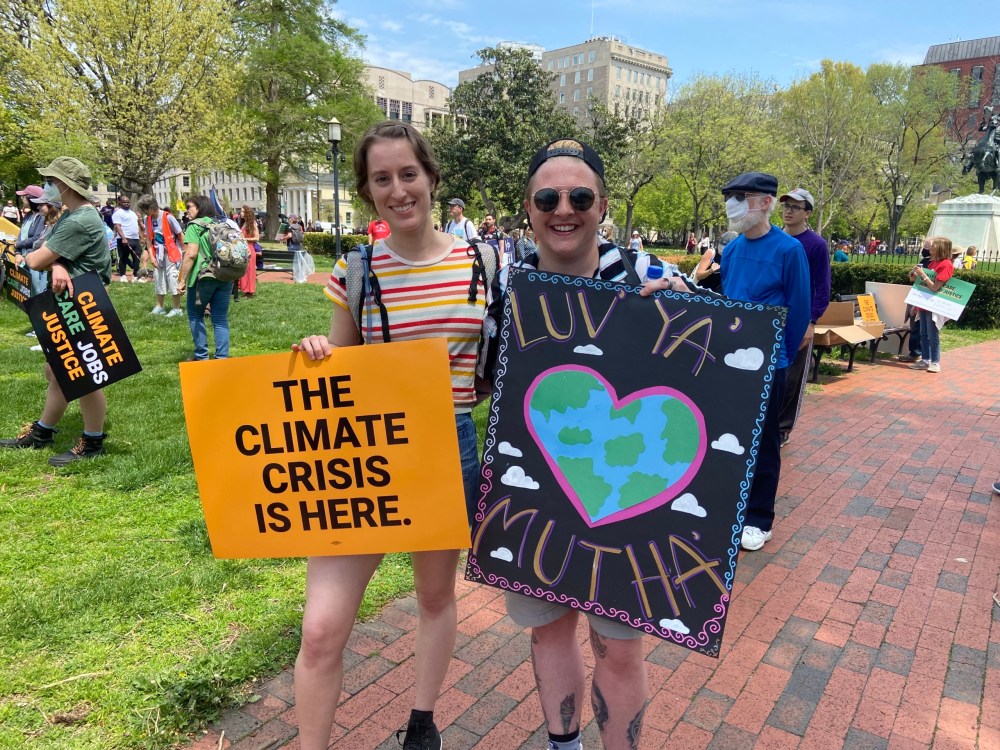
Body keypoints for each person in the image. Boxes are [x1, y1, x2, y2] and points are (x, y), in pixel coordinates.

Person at [291, 121, 490, 750]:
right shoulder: (357, 271)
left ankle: (422, 722)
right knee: (321, 630)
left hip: (446, 449)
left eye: (409, 174)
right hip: (367, 454)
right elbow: (342, 369)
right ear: (367, 191)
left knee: (435, 595)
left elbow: (507, 359)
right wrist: (320, 352)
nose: (399, 189)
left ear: (431, 177)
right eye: (383, 179)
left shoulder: (482, 264)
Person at [496, 138, 695, 750]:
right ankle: (564, 745)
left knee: (618, 647)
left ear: (601, 204)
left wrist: (690, 319)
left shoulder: (650, 276)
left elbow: (727, 370)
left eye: (580, 196)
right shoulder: (507, 287)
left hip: (626, 498)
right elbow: (474, 376)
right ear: (528, 208)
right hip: (539, 494)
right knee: (548, 632)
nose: (565, 208)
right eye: (548, 196)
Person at [0, 157, 112, 465]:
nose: (47, 186)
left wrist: (51, 260)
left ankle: (92, 441)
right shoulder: (73, 214)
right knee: (57, 371)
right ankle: (43, 431)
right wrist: (59, 263)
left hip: (81, 304)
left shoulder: (77, 220)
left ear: (63, 185)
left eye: (51, 181)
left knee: (82, 375)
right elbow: (51, 247)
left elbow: (35, 259)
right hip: (68, 301)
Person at [718, 171, 809, 551]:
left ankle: (759, 518)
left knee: (764, 440)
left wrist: (778, 357)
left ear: (765, 202)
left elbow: (799, 310)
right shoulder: (734, 249)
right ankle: (729, 509)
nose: (733, 204)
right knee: (730, 437)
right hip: (731, 362)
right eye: (730, 196)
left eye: (742, 196)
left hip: (769, 363)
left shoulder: (789, 251)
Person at [777, 188, 831, 448]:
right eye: (786, 206)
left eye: (795, 207)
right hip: (772, 317)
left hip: (798, 321)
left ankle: (782, 429)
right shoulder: (774, 238)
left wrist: (811, 322)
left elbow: (822, 287)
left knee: (792, 377)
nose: (788, 211)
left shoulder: (816, 245)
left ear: (807, 213)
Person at [178, 195, 232, 361]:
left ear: (199, 208)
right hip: (225, 275)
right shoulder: (221, 224)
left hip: (202, 278)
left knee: (195, 315)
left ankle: (201, 355)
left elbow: (191, 254)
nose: (187, 211)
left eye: (189, 207)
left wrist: (181, 280)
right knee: (220, 318)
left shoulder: (194, 226)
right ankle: (222, 357)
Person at [907, 236, 953, 374]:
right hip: (924, 303)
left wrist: (923, 275)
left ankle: (935, 362)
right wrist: (916, 304)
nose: (929, 249)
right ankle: (925, 359)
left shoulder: (946, 264)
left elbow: (935, 288)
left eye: (933, 246)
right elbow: (922, 286)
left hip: (935, 305)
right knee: (923, 333)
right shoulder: (933, 264)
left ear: (940, 248)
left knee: (933, 334)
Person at [136, 194, 185, 317]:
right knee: (159, 279)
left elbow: (180, 235)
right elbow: (149, 241)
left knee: (173, 278)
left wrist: (184, 252)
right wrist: (152, 257)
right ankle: (159, 306)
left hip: (172, 254)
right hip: (158, 254)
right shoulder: (147, 219)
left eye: (145, 210)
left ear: (152, 207)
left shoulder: (168, 217)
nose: (145, 213)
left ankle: (176, 308)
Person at [12, 186, 47, 295]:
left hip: (35, 259)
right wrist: (17, 253)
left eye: (23, 196)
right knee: (28, 294)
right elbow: (20, 234)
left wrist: (18, 244)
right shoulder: (27, 216)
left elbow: (37, 238)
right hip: (23, 259)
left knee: (39, 293)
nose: (21, 199)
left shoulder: (42, 217)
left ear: (31, 199)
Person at [112, 195, 142, 282]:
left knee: (137, 257)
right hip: (124, 238)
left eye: (128, 202)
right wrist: (123, 238)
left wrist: (140, 236)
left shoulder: (133, 213)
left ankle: (135, 276)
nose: (126, 204)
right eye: (124, 202)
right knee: (123, 258)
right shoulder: (117, 213)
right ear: (119, 203)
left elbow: (136, 226)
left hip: (135, 238)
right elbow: (117, 226)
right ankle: (123, 276)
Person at [237, 204, 259, 297]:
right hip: (242, 249)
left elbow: (256, 238)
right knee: (244, 270)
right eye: (240, 211)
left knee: (250, 270)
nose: (241, 213)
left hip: (249, 248)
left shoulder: (252, 223)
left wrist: (244, 239)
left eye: (243, 211)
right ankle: (245, 289)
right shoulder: (243, 223)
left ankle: (250, 291)